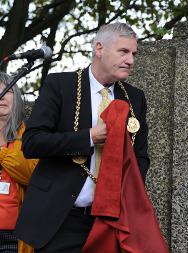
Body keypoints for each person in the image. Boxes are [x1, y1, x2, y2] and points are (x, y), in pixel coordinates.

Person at [14, 23, 150, 253]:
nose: (131, 60)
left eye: (133, 53)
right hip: (62, 219)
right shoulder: (60, 85)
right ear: (99, 48)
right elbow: (32, 142)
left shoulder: (135, 98)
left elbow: (141, 157)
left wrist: (125, 195)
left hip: (111, 222)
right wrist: (88, 137)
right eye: (123, 52)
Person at [0, 72, 37, 253]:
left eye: (8, 90)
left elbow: (33, 176)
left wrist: (2, 146)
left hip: (13, 234)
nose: (1, 95)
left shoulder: (30, 135)